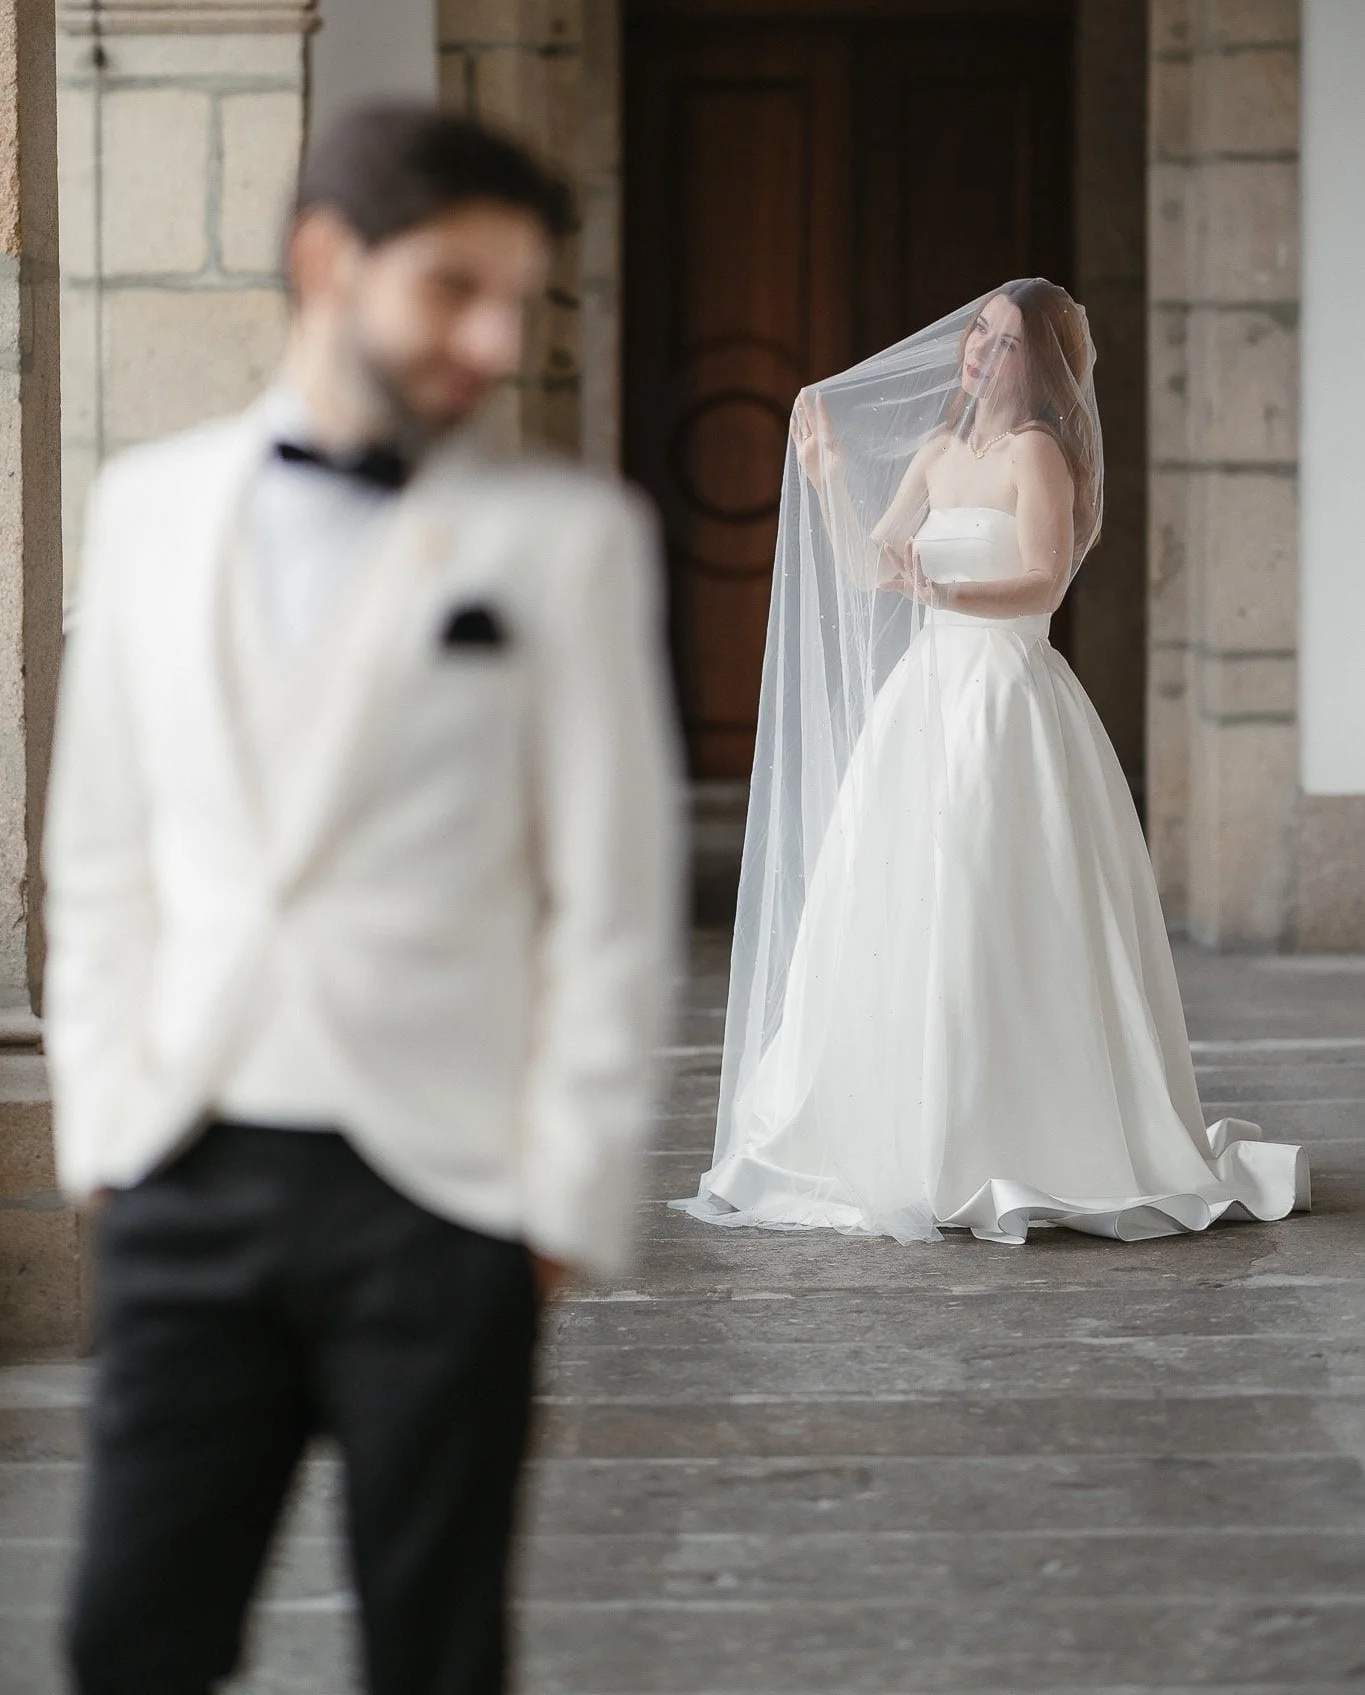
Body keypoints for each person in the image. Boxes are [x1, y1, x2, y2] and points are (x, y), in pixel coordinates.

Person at [44, 103, 680, 1694]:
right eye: (454, 288)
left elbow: (612, 900)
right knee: (131, 1637)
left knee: (438, 1651)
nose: (491, 336)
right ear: (327, 259)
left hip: (444, 1195)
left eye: (514, 299)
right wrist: (106, 1130)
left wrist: (552, 1207)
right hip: (184, 1170)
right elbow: (104, 852)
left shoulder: (569, 541)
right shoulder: (149, 507)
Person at [676, 278, 1308, 1246]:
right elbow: (867, 565)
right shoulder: (940, 451)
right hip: (924, 700)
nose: (980, 352)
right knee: (905, 900)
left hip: (1004, 696)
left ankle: (1015, 1122)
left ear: (1042, 365)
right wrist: (828, 473)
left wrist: (948, 593)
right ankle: (910, 1119)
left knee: (995, 893)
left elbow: (1045, 579)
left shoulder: (1037, 454)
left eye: (1005, 343)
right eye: (978, 333)